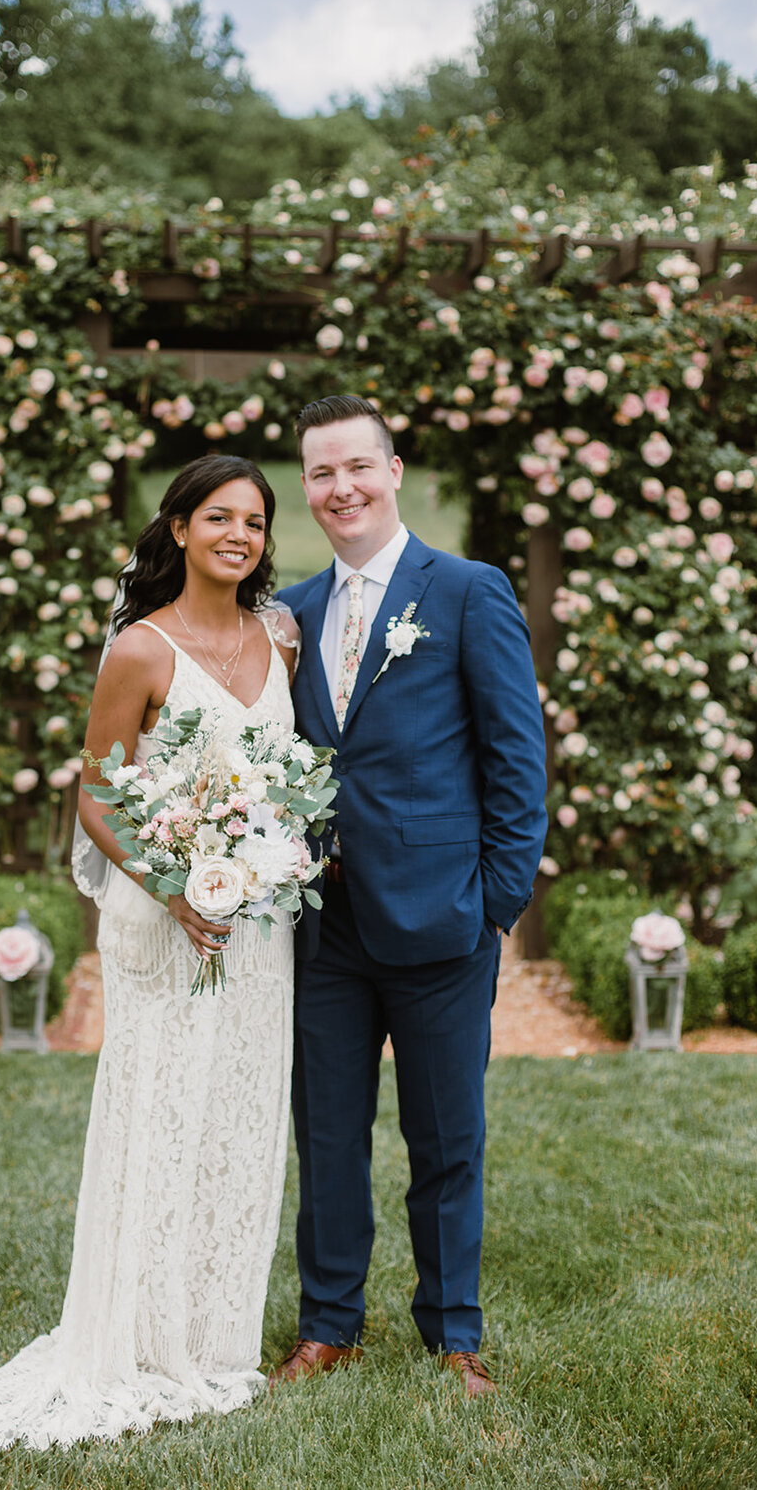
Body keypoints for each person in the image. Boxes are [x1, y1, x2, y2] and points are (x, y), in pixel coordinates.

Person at [0, 456, 300, 1451]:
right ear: (175, 530)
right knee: (157, 1109)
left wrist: (256, 866)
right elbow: (98, 792)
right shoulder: (141, 650)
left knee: (236, 1114)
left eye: (253, 521)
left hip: (253, 920)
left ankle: (209, 1332)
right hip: (158, 918)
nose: (237, 536)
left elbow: (279, 779)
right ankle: (131, 1332)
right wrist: (172, 888)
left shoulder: (276, 637)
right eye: (218, 517)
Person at [273, 395, 547, 1398]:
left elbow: (517, 760)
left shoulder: (467, 592)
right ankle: (328, 1323)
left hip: (442, 919)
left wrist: (495, 904)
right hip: (322, 924)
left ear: (393, 470)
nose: (339, 488)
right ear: (307, 488)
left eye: (355, 467)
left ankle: (453, 1333)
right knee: (329, 1132)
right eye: (319, 473)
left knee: (444, 1139)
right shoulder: (291, 613)